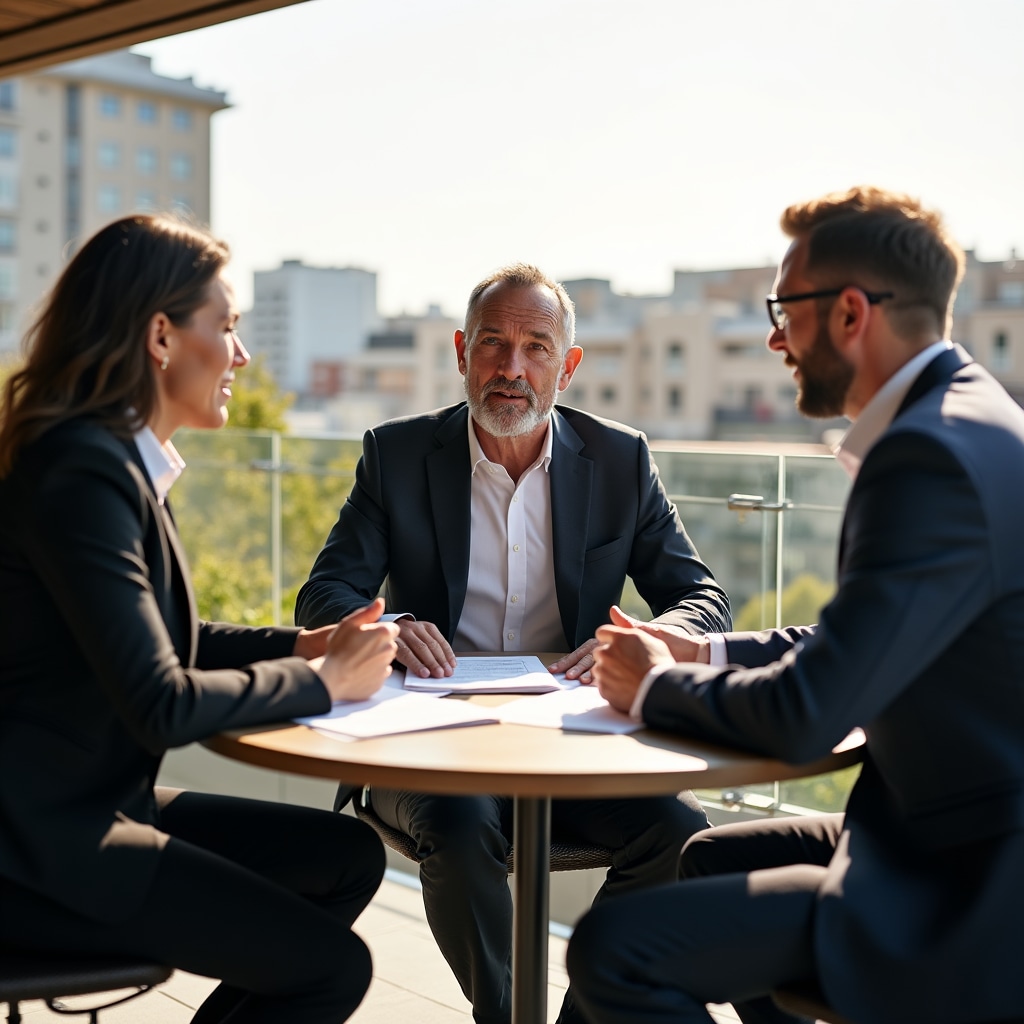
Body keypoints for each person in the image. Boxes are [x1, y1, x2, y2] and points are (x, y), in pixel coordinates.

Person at [568, 186, 1024, 1024]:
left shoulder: (927, 457)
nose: (775, 336)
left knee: (613, 950)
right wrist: (698, 654)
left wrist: (649, 689)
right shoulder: (971, 419)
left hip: (969, 887)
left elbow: (808, 714)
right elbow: (856, 638)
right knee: (708, 860)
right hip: (925, 833)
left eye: (784, 309)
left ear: (851, 313)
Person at [295, 263, 731, 1024]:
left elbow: (703, 600)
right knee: (461, 832)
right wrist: (391, 630)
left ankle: (585, 1012)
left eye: (535, 347)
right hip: (427, 747)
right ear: (463, 351)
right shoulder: (395, 455)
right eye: (493, 344)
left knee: (682, 834)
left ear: (567, 366)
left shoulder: (620, 459)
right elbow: (324, 597)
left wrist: (649, 638)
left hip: (573, 745)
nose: (511, 368)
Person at [0, 214, 400, 1024]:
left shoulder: (107, 461)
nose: (242, 357)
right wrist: (323, 681)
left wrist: (303, 643)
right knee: (331, 970)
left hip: (82, 804)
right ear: (160, 336)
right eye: (227, 327)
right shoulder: (81, 473)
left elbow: (157, 636)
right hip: (39, 845)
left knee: (346, 855)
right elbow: (161, 700)